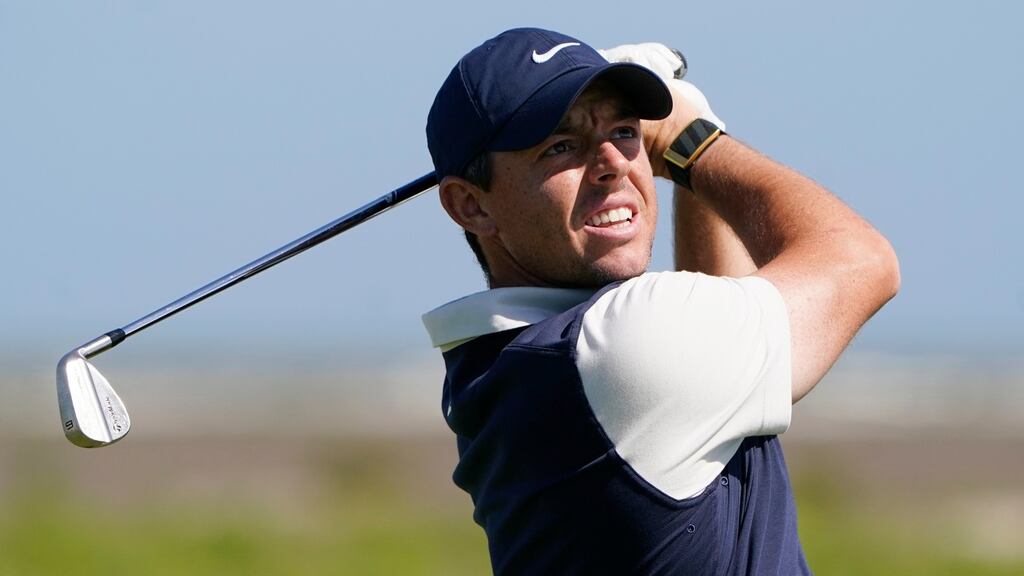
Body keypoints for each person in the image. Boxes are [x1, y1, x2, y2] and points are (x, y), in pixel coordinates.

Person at [421, 27, 899, 575]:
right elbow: (863, 261)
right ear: (471, 205)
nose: (613, 162)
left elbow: (713, 316)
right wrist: (691, 137)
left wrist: (689, 139)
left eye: (624, 131)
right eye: (560, 145)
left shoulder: (496, 365)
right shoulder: (614, 350)